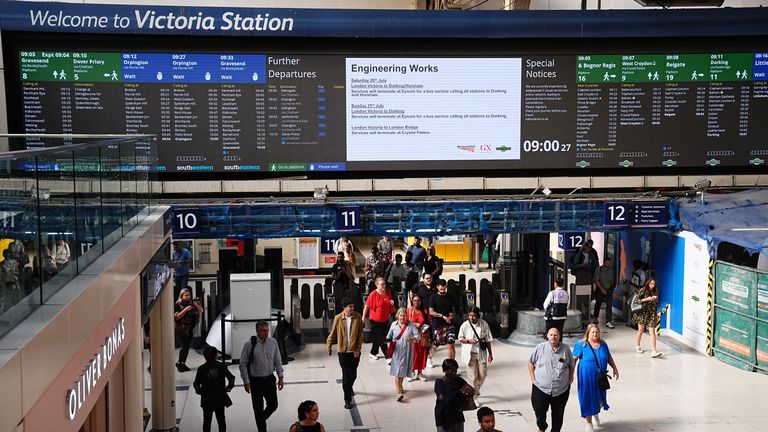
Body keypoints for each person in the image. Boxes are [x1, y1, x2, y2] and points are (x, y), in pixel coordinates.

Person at [239, 321, 285, 432]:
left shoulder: (273, 342)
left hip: (269, 379)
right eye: (263, 331)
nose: (266, 333)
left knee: (273, 405)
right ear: (257, 331)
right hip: (256, 381)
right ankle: (262, 428)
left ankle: (260, 420)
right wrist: (246, 381)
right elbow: (243, 364)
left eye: (267, 330)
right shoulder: (249, 344)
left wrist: (280, 376)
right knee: (258, 409)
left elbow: (277, 360)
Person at [573, 324, 620, 431]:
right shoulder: (581, 345)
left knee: (599, 397)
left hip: (600, 377)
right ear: (588, 333)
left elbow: (608, 356)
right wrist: (569, 373)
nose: (595, 334)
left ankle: (595, 412)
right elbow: (573, 359)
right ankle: (588, 423)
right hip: (586, 377)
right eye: (592, 332)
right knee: (587, 397)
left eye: (597, 332)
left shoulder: (603, 344)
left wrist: (615, 368)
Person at [528, 327, 574, 432]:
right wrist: (533, 379)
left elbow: (571, 364)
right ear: (547, 336)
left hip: (561, 390)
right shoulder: (540, 348)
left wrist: (571, 377)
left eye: (556, 335)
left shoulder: (565, 349)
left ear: (559, 336)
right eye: (551, 335)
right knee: (539, 411)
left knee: (558, 415)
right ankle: (542, 427)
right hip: (540, 388)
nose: (553, 337)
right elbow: (530, 363)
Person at [326, 297, 364, 409]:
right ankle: (347, 399)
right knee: (346, 375)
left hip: (354, 352)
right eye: (350, 307)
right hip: (342, 352)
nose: (352, 308)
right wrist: (329, 346)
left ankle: (349, 387)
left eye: (353, 306)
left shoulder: (357, 317)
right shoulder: (338, 318)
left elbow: (360, 335)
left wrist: (357, 349)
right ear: (344, 308)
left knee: (353, 374)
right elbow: (333, 333)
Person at [193, 346, 235, 432]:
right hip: (220, 397)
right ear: (216, 355)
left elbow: (196, 383)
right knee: (221, 420)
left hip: (207, 398)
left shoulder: (201, 369)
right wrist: (228, 388)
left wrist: (200, 391)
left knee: (207, 421)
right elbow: (231, 378)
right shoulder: (222, 366)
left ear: (204, 356)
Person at [458, 307, 494, 403]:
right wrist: (469, 341)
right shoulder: (465, 325)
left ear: (478, 316)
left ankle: (475, 389)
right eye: (470, 315)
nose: (472, 317)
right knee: (472, 377)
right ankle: (474, 398)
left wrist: (490, 354)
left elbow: (487, 340)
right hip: (469, 354)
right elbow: (460, 338)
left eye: (474, 316)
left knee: (483, 375)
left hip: (481, 353)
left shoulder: (484, 324)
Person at [387, 307, 421, 401]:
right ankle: (398, 392)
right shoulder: (393, 324)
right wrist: (388, 341)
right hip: (397, 352)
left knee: (403, 370)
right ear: (397, 315)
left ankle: (400, 386)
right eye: (400, 315)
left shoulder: (411, 325)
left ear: (407, 316)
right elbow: (389, 336)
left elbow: (418, 336)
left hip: (407, 351)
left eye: (404, 315)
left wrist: (411, 338)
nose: (402, 317)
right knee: (398, 371)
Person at [362, 277, 395, 362]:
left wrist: (391, 302)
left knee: (377, 338)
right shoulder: (373, 294)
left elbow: (390, 300)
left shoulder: (387, 292)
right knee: (382, 338)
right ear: (377, 285)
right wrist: (363, 317)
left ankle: (373, 352)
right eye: (381, 284)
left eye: (384, 284)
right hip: (375, 320)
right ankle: (388, 356)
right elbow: (367, 306)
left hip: (385, 319)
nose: (383, 286)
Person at [434, 358, 472, 432]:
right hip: (443, 416)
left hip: (457, 416)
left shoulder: (458, 380)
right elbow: (441, 397)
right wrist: (459, 392)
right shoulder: (439, 382)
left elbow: (472, 390)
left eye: (455, 371)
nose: (454, 373)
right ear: (444, 370)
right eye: (452, 371)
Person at [174, 287, 203, 372]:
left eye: (189, 295)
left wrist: (196, 304)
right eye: (186, 295)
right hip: (181, 328)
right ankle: (179, 362)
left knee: (187, 347)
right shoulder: (178, 304)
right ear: (181, 296)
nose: (188, 297)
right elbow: (177, 317)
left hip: (190, 328)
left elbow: (201, 310)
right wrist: (185, 310)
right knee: (184, 346)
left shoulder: (191, 304)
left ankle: (182, 362)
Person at [632, 278, 663, 358]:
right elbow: (636, 300)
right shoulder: (643, 290)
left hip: (652, 314)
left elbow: (656, 303)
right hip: (643, 314)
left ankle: (654, 351)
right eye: (651, 283)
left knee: (652, 332)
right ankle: (638, 346)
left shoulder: (656, 291)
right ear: (648, 283)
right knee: (641, 330)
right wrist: (647, 299)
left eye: (654, 284)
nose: (653, 285)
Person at [430, 279, 458, 361]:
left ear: (446, 287)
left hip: (449, 325)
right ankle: (429, 356)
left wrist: (452, 316)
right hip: (438, 324)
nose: (442, 291)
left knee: (451, 343)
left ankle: (451, 364)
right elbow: (431, 312)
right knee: (436, 343)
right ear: (437, 287)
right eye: (441, 289)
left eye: (444, 289)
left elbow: (453, 310)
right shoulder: (433, 298)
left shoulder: (450, 297)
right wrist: (443, 316)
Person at [407, 294, 431, 382]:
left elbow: (429, 323)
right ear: (412, 302)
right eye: (415, 301)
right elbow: (404, 321)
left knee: (421, 354)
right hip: (412, 336)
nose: (417, 302)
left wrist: (423, 327)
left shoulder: (425, 311)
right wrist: (414, 324)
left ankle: (420, 372)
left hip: (422, 336)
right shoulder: (409, 311)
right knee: (412, 355)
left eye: (418, 301)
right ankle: (411, 372)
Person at [593, 257, 616, 328]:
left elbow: (612, 279)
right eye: (607, 263)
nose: (608, 265)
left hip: (609, 289)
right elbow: (596, 280)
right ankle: (595, 317)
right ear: (604, 263)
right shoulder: (599, 269)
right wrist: (602, 289)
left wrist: (611, 288)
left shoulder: (611, 270)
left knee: (609, 305)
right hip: (600, 289)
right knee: (598, 303)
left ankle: (608, 321)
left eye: (609, 263)